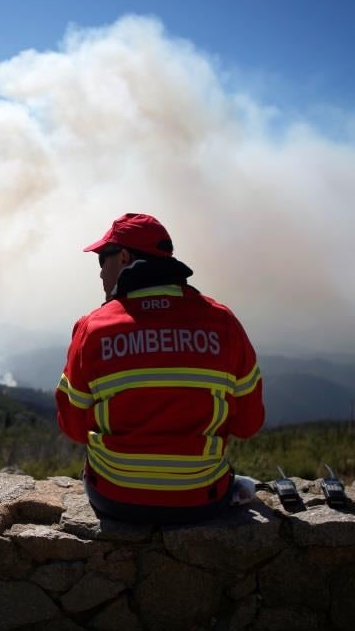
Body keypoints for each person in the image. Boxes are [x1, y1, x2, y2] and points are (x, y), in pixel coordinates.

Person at [55, 213, 264, 524]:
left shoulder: (92, 328)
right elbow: (248, 424)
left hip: (115, 498)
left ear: (123, 258)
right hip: (202, 498)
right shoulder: (223, 323)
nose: (99, 273)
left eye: (102, 260)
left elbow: (72, 427)